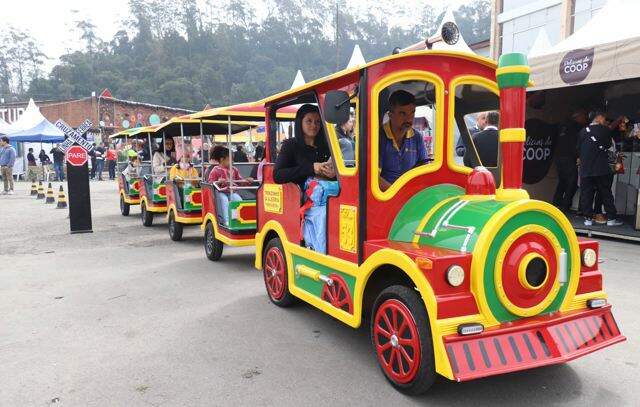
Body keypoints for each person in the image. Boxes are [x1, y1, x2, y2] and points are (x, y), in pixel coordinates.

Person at [578, 111, 624, 226]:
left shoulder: (583, 131)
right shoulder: (604, 130)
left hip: (586, 167)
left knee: (586, 193)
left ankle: (588, 219)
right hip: (601, 167)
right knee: (605, 192)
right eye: (603, 118)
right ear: (598, 118)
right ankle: (611, 219)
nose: (604, 120)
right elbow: (608, 145)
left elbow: (578, 147)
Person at [274, 104, 334, 190]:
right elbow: (277, 175)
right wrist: (312, 167)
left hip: (328, 193)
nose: (314, 125)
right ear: (300, 122)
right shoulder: (290, 145)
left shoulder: (326, 146)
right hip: (300, 198)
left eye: (317, 121)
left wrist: (334, 173)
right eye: (309, 121)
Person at [379, 90, 428, 191]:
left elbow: (424, 169)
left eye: (412, 113)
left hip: (410, 196)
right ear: (390, 115)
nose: (409, 119)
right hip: (384, 198)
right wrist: (398, 195)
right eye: (402, 113)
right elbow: (373, 178)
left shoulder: (417, 137)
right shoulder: (378, 137)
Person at [208, 145, 253, 225]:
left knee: (238, 200)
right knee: (224, 200)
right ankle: (226, 221)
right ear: (222, 159)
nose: (232, 162)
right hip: (221, 192)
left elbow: (239, 180)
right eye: (230, 159)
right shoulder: (215, 170)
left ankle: (238, 219)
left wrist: (247, 180)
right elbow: (210, 182)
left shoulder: (234, 169)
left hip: (231, 191)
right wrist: (218, 182)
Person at [553, 109, 586, 213]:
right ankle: (565, 206)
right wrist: (578, 156)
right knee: (572, 182)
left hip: (558, 157)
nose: (585, 119)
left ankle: (556, 203)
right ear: (578, 117)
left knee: (562, 181)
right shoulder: (577, 127)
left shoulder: (562, 126)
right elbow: (574, 144)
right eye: (584, 117)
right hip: (569, 157)